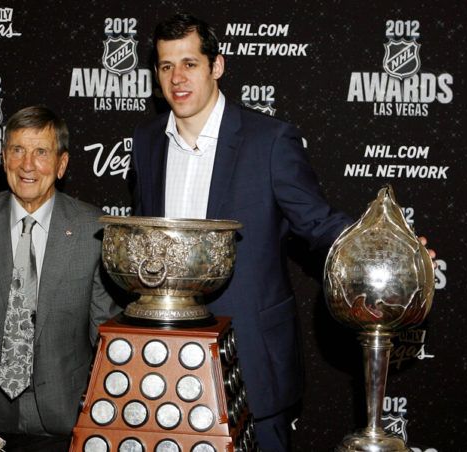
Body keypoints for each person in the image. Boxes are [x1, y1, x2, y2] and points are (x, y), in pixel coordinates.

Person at [131, 13, 353, 451]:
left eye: (190, 64)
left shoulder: (269, 140)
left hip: (252, 355)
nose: (177, 78)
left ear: (216, 66)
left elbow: (319, 223)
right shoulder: (147, 141)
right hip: (167, 358)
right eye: (166, 66)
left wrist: (382, 248)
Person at [0, 106, 120, 451]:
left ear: (61, 164)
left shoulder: (95, 231)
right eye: (17, 150)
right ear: (3, 158)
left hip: (65, 422)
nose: (27, 165)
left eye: (41, 152)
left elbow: (105, 339)